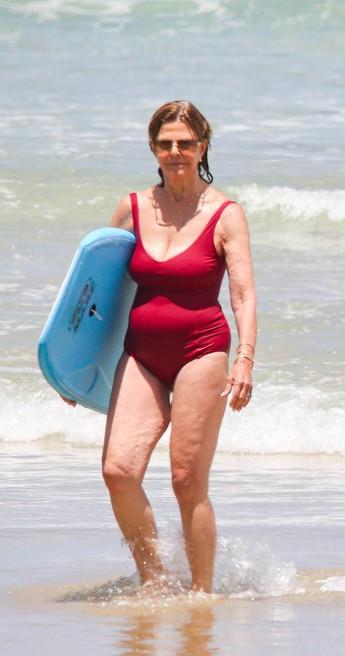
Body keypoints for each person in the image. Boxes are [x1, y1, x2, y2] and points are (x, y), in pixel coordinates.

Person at [75, 100, 257, 593]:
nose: (176, 152)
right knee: (118, 471)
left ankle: (201, 593)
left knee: (185, 481)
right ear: (153, 149)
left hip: (202, 349)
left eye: (186, 143)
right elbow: (94, 292)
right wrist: (72, 362)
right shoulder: (131, 208)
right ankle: (155, 581)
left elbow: (242, 291)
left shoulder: (225, 213)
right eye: (166, 143)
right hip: (142, 352)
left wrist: (245, 356)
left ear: (202, 147)